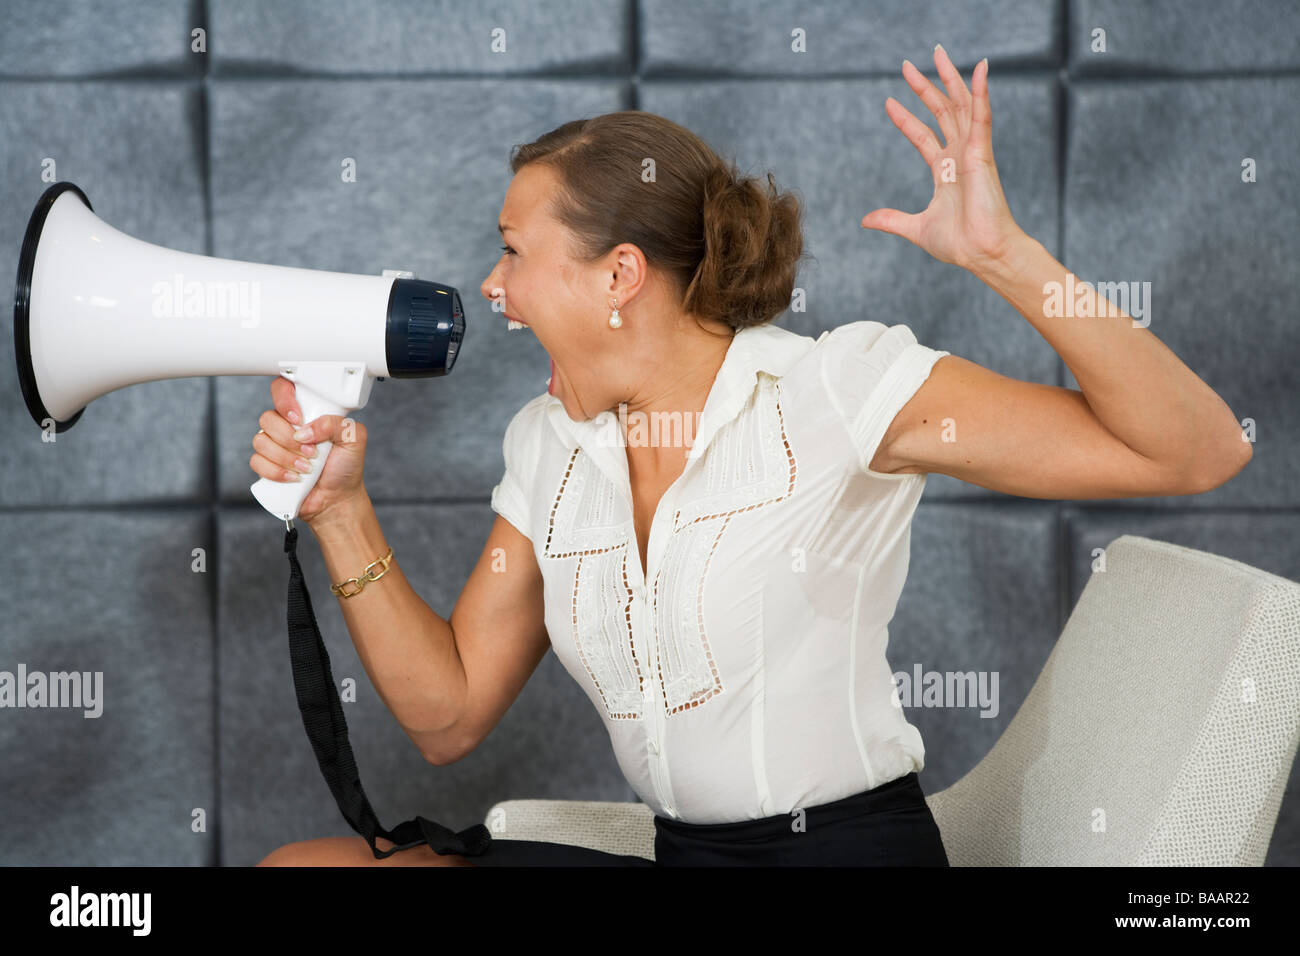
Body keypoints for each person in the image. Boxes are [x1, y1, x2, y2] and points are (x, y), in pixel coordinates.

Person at [253, 47, 1250, 867]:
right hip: (682, 855)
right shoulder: (550, 444)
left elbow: (1193, 451)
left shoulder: (840, 391)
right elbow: (449, 714)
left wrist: (1002, 255)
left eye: (513, 248)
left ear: (619, 275)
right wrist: (343, 510)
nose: (492, 286)